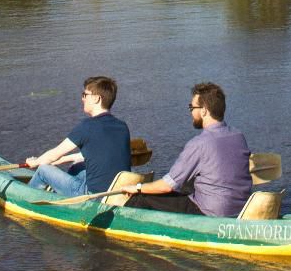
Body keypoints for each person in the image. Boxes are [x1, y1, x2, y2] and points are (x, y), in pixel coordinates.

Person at [123, 81, 250, 217]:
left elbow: (167, 186)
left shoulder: (199, 143)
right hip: (240, 209)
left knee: (140, 199)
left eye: (192, 107)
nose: (191, 112)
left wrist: (138, 188)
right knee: (186, 187)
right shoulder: (238, 136)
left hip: (210, 212)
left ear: (204, 110)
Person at [24, 75, 131, 197]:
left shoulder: (87, 126)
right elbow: (101, 153)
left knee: (43, 170)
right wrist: (63, 160)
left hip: (92, 196)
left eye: (85, 95)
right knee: (77, 167)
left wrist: (35, 162)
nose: (82, 99)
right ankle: (58, 194)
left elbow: (55, 154)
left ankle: (25, 199)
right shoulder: (122, 126)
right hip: (117, 192)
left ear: (96, 98)